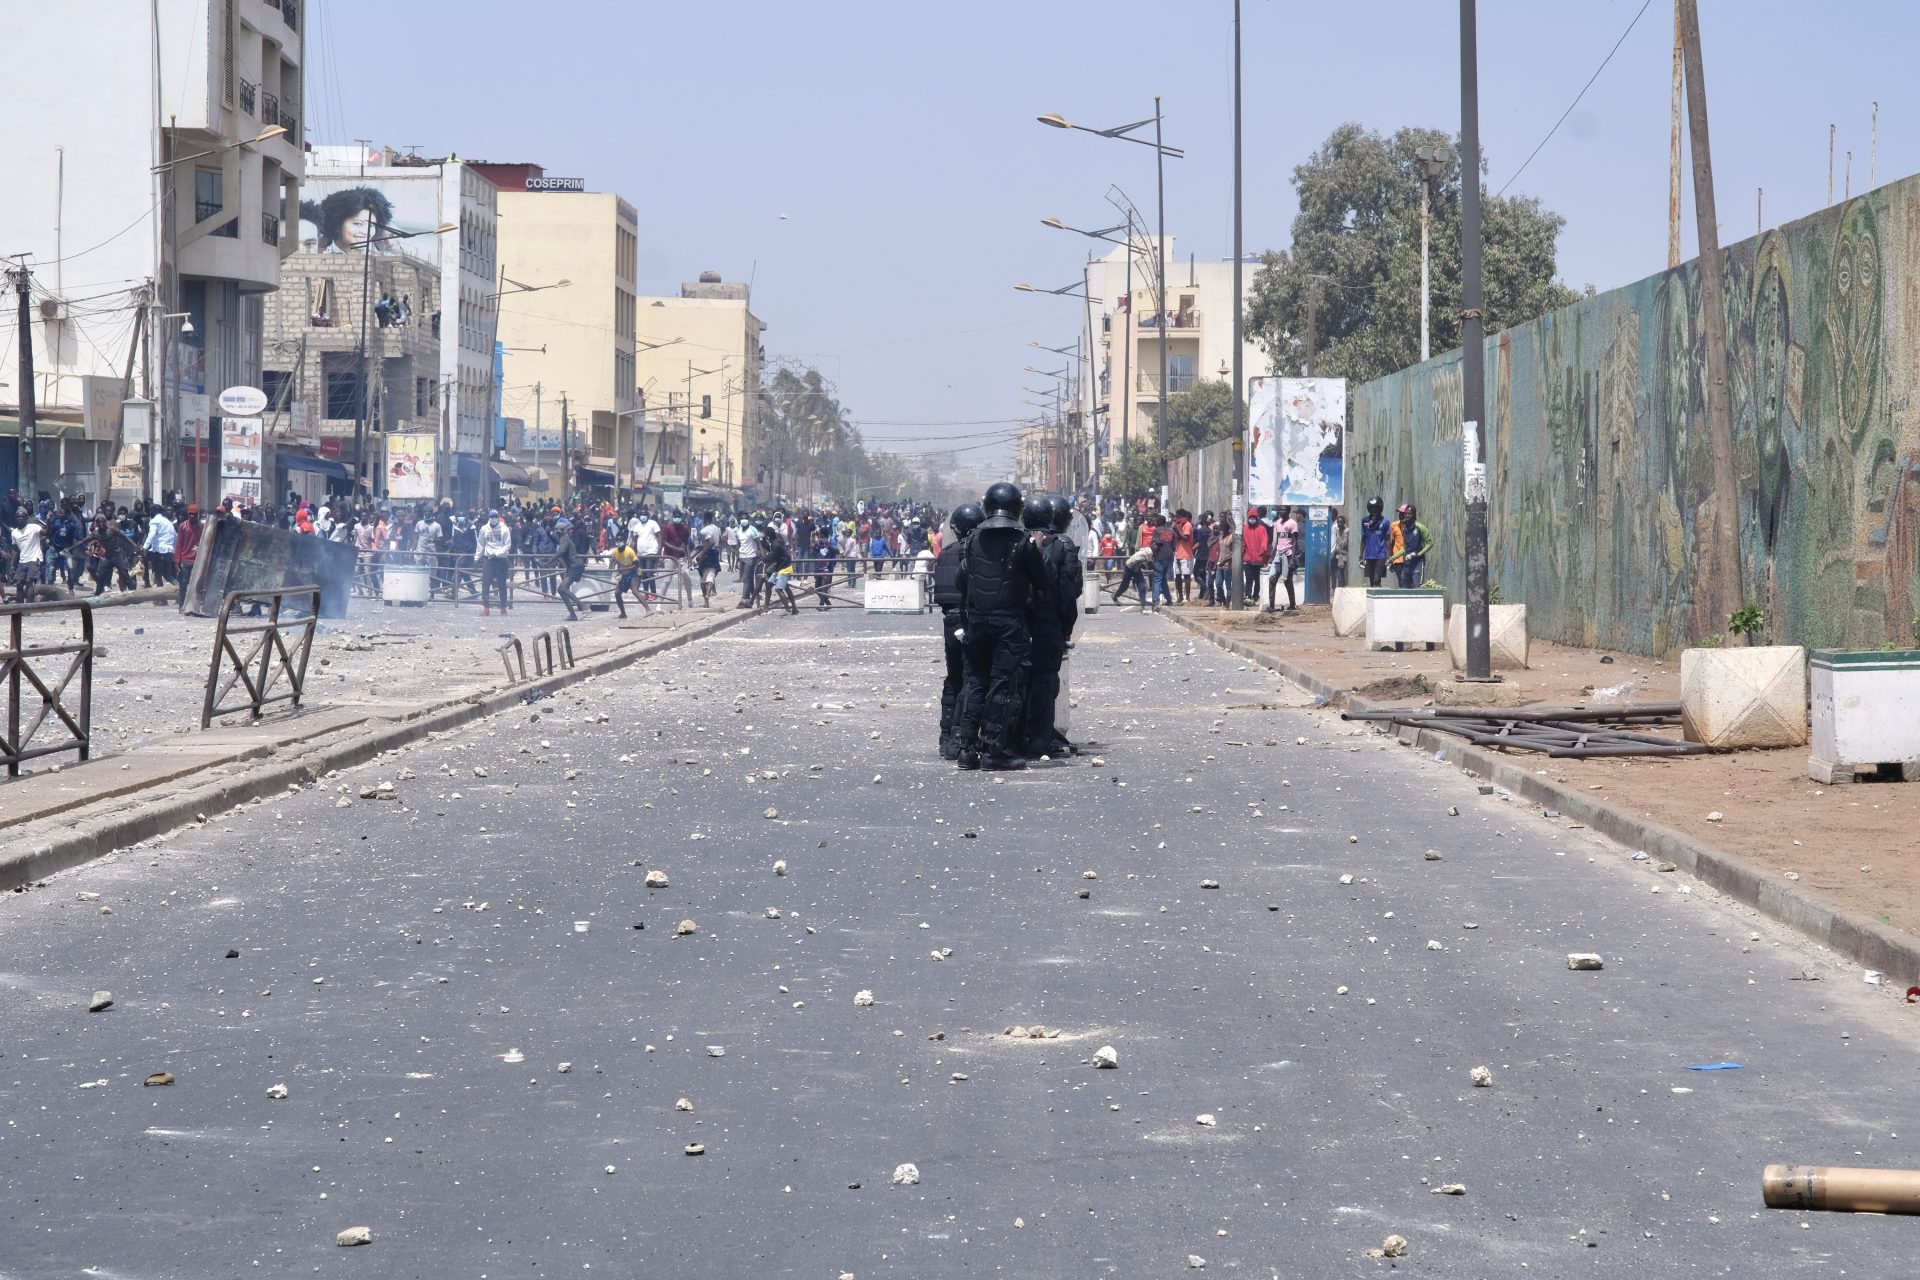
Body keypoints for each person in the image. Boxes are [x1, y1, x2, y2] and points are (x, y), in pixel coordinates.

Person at [952, 482, 1047, 771]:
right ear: (1018, 508)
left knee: (975, 683)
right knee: (1003, 686)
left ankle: (966, 750)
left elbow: (961, 581)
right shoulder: (1023, 543)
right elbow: (1043, 581)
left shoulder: (970, 542)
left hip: (977, 622)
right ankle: (994, 751)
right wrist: (1038, 550)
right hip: (1009, 623)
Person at [932, 502, 985, 760]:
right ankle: (958, 738)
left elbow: (940, 594)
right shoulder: (978, 552)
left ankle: (945, 737)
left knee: (953, 679)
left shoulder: (946, 553)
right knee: (971, 679)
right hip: (970, 620)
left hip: (949, 622)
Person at [1018, 497, 1065, 758]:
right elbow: (1069, 592)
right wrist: (1066, 626)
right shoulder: (1061, 545)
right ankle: (1040, 739)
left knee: (1017, 681)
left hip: (1019, 622)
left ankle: (1017, 736)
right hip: (1048, 623)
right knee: (1045, 683)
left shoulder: (1013, 540)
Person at [478, 509, 513, 615]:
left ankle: (503, 608)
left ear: (498, 517)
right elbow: (480, 544)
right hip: (488, 559)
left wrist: (497, 553)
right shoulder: (484, 529)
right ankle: (486, 608)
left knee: (502, 584)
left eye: (495, 516)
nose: (493, 518)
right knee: (485, 584)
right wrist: (477, 558)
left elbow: (507, 545)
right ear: (489, 517)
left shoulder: (504, 529)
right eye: (492, 516)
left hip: (501, 559)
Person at [1390, 502, 1432, 588]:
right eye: (1406, 514)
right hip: (1407, 563)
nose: (1407, 516)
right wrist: (1392, 558)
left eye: (1410, 514)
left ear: (1414, 515)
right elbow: (1405, 548)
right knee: (1405, 587)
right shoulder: (1405, 530)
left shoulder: (1420, 527)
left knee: (1416, 586)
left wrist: (1418, 554)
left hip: (1418, 562)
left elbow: (1430, 543)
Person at [10, 508, 45, 603]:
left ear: (26, 518)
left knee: (29, 582)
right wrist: (12, 564)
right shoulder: (14, 533)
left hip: (34, 558)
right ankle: (20, 607)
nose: (20, 518)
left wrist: (49, 522)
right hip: (22, 560)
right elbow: (15, 550)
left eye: (22, 517)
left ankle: (29, 607)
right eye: (18, 517)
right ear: (16, 518)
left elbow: (46, 533)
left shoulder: (34, 527)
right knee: (19, 584)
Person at [1269, 505, 1300, 612]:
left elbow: (1295, 542)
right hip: (1278, 555)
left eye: (1283, 510)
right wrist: (1272, 556)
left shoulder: (1292, 523)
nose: (1281, 512)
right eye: (1280, 510)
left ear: (1288, 511)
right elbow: (1276, 541)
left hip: (1288, 555)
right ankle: (1271, 606)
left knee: (1288, 581)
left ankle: (1292, 604)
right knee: (1272, 579)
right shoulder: (1277, 523)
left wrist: (1292, 559)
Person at [552, 517, 584, 621]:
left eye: (560, 529)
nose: (558, 531)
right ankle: (573, 614)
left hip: (575, 565)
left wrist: (549, 561)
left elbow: (561, 552)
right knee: (561, 590)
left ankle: (581, 605)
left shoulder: (564, 538)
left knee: (563, 588)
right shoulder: (563, 538)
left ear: (564, 530)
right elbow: (562, 556)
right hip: (573, 566)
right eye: (557, 529)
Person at [173, 505, 203, 607]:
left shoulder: (201, 527)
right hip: (185, 559)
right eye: (190, 514)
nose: (192, 516)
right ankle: (182, 604)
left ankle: (194, 604)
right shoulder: (183, 526)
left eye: (194, 514)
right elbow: (179, 544)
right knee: (183, 583)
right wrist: (177, 561)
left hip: (197, 559)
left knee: (197, 584)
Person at [1360, 496, 1391, 588]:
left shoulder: (1385, 522)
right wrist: (1361, 556)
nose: (1374, 510)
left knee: (1377, 579)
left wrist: (1389, 556)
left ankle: (1378, 596)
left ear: (1380, 508)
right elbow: (1363, 539)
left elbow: (1387, 539)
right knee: (1371, 580)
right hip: (1369, 555)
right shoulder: (1365, 522)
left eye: (1376, 508)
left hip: (1381, 556)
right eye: (1372, 508)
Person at [1241, 507, 1270, 601]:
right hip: (1247, 559)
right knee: (1249, 578)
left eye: (1254, 517)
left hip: (1259, 559)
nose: (1252, 519)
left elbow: (1264, 541)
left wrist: (1262, 551)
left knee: (1257, 580)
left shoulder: (1262, 529)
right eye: (1251, 517)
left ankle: (1255, 596)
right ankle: (1248, 596)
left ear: (1257, 518)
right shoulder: (1245, 528)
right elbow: (1243, 542)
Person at [1169, 509, 1196, 604]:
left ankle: (1187, 597)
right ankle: (1180, 596)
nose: (1175, 519)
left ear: (1182, 516)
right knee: (1177, 576)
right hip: (1178, 553)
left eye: (1177, 517)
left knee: (1186, 576)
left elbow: (1185, 538)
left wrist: (1177, 529)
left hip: (1186, 554)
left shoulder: (1187, 525)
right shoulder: (1179, 525)